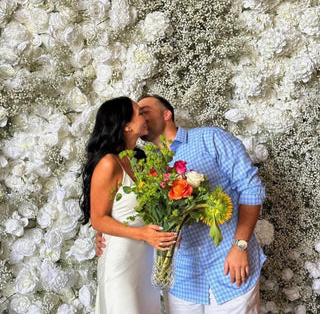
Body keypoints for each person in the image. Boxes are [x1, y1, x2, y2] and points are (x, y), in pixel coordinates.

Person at [96, 95, 266, 314]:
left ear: (167, 114)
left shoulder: (210, 138)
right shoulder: (146, 166)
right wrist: (105, 229)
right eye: (137, 111)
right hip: (182, 280)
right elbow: (130, 207)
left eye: (144, 109)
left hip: (230, 267)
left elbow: (251, 189)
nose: (140, 114)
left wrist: (240, 245)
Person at [80, 96, 177, 314]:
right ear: (126, 125)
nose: (144, 117)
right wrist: (143, 234)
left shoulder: (141, 159)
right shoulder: (108, 163)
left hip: (145, 260)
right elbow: (98, 219)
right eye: (139, 113)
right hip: (122, 260)